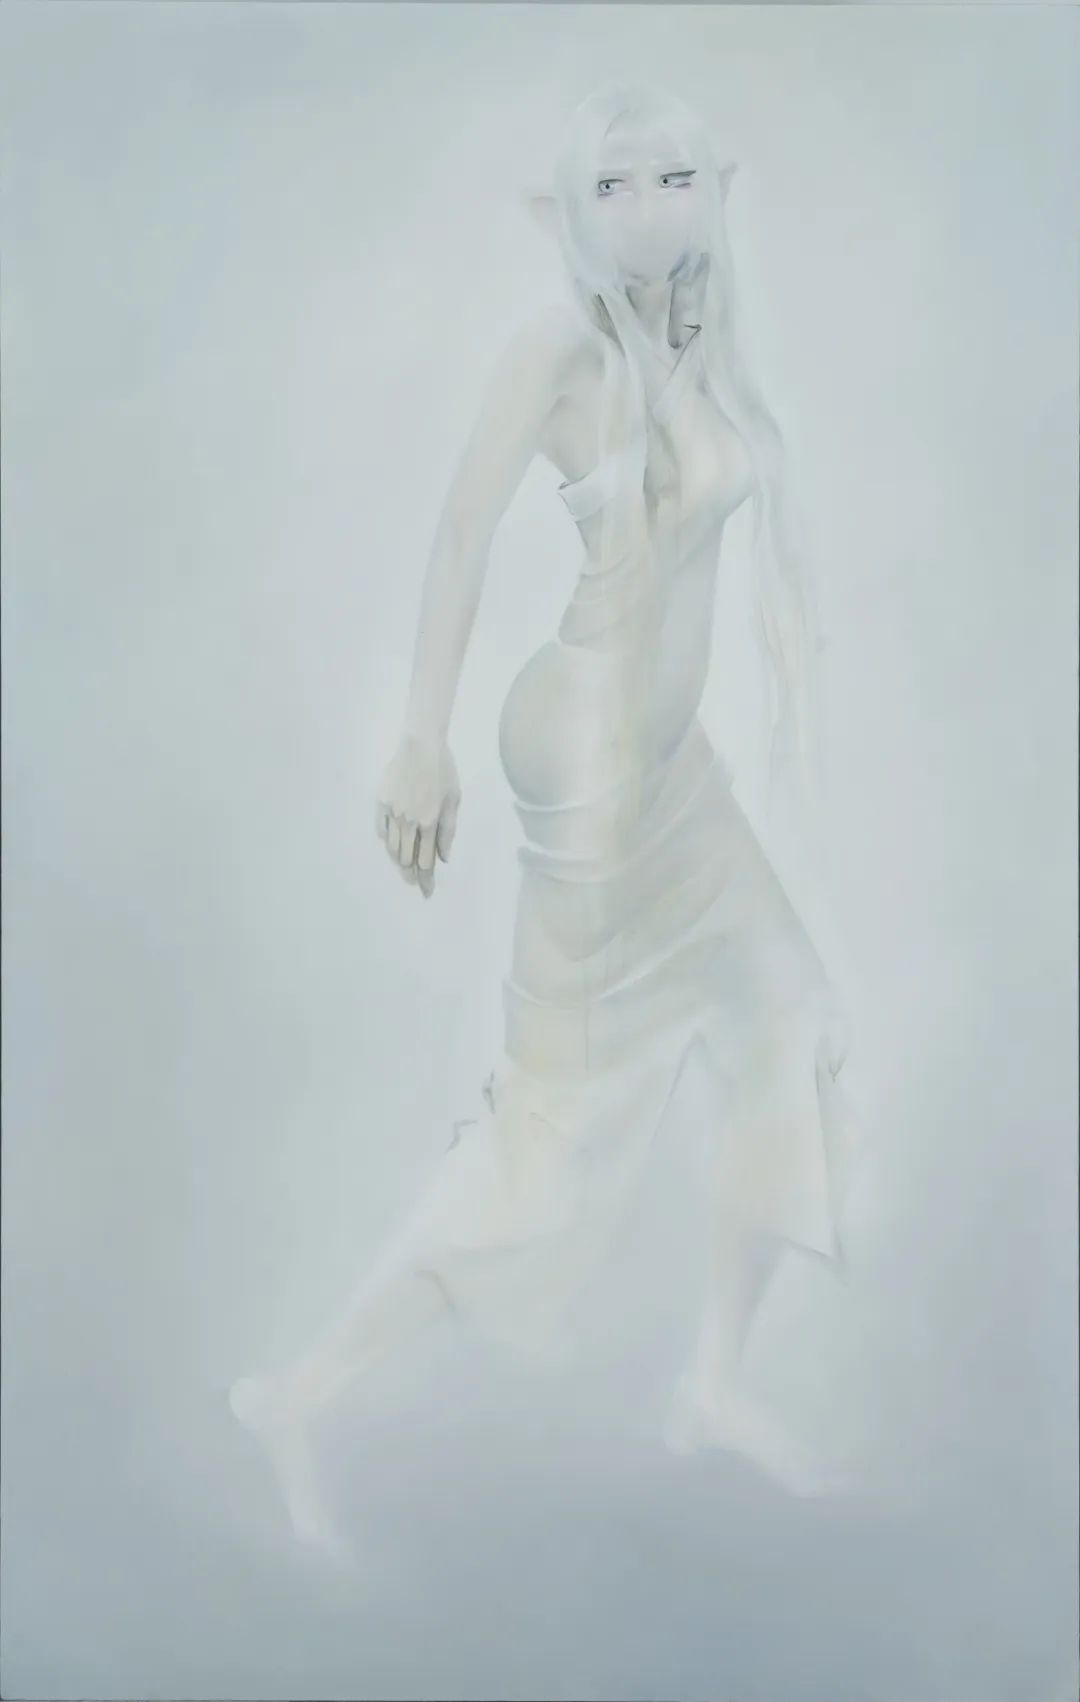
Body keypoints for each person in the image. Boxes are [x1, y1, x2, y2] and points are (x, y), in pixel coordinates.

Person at [229, 81, 864, 1562]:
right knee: (547, 1135)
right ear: (576, 206)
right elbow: (461, 530)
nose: (649, 207)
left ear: (715, 189)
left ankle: (714, 1383)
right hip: (583, 764)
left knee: (790, 1016)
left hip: (671, 769)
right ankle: (300, 1398)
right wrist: (418, 737)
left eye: (674, 178)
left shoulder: (698, 343)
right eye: (616, 184)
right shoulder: (562, 347)